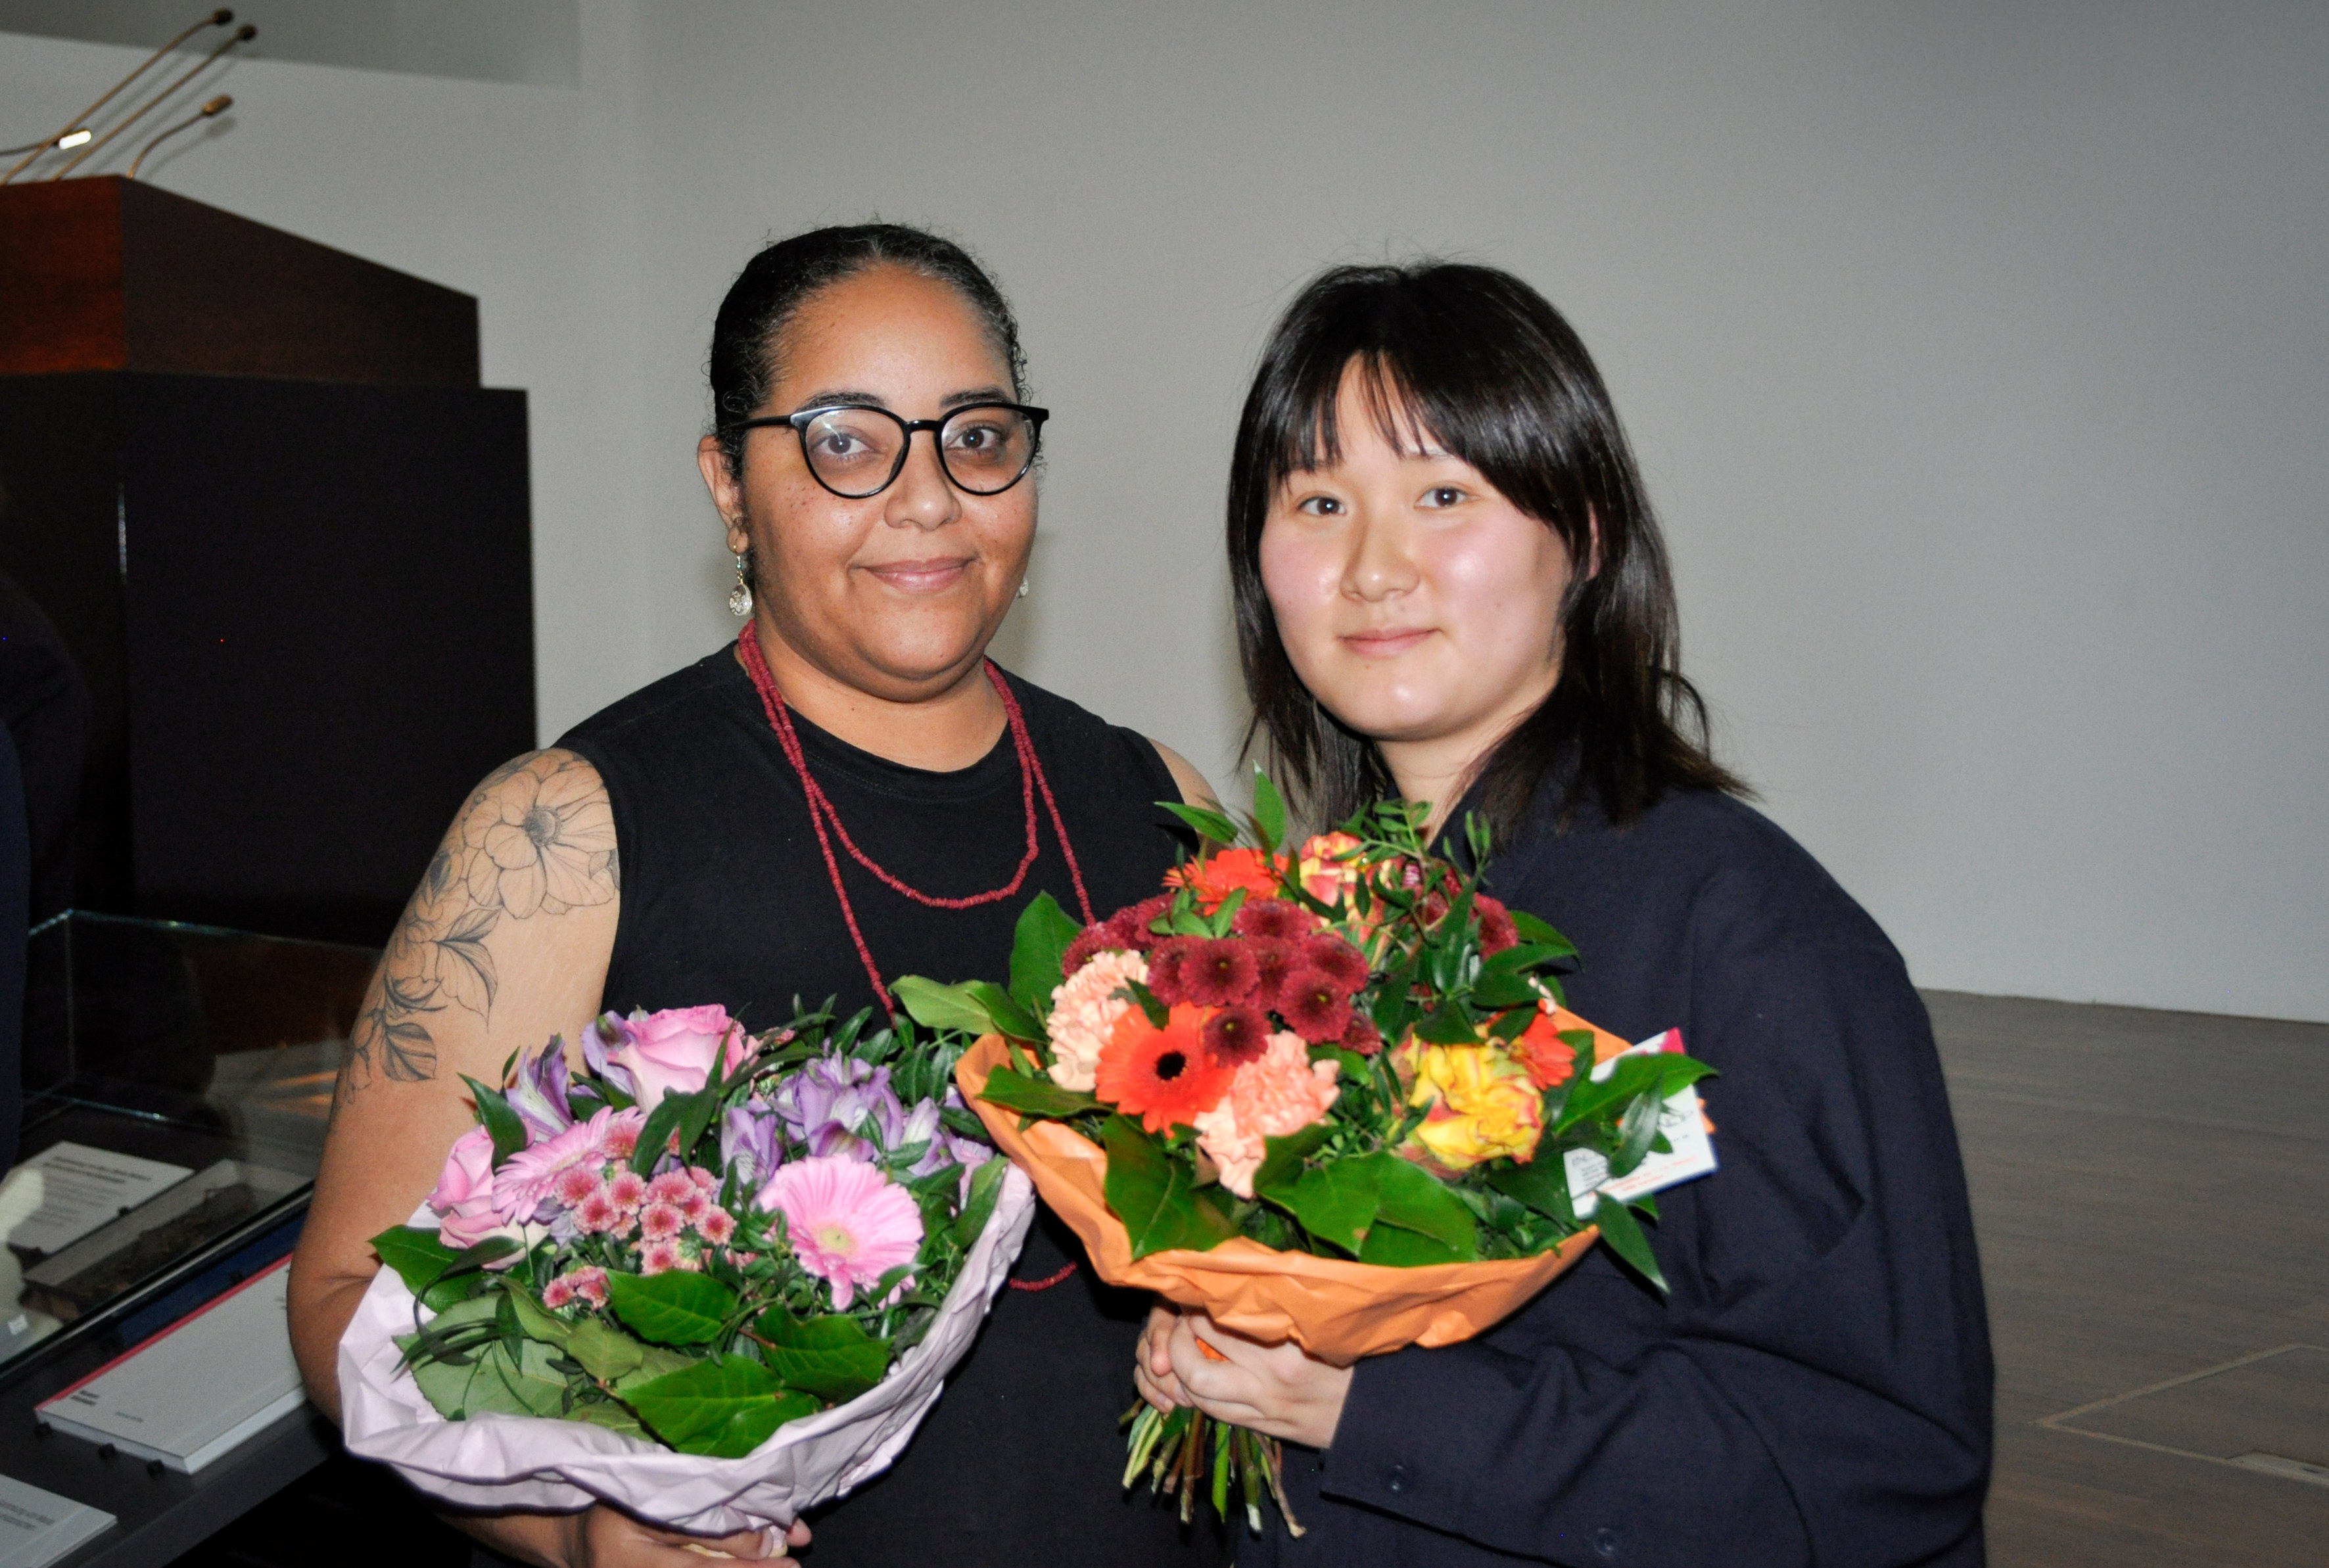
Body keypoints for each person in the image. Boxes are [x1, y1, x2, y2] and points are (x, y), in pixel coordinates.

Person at [289, 224, 1229, 1568]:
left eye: (973, 436)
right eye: (846, 441)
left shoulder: (1155, 794)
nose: (926, 498)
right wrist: (574, 1533)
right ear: (728, 485)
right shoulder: (562, 831)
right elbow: (346, 1297)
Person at [1137, 262, 1993, 1566]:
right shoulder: (1295, 938)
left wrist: (1376, 1405)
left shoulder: (1743, 934)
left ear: (1583, 534)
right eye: (1317, 499)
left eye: (1441, 495)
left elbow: (1878, 1449)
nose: (1372, 567)